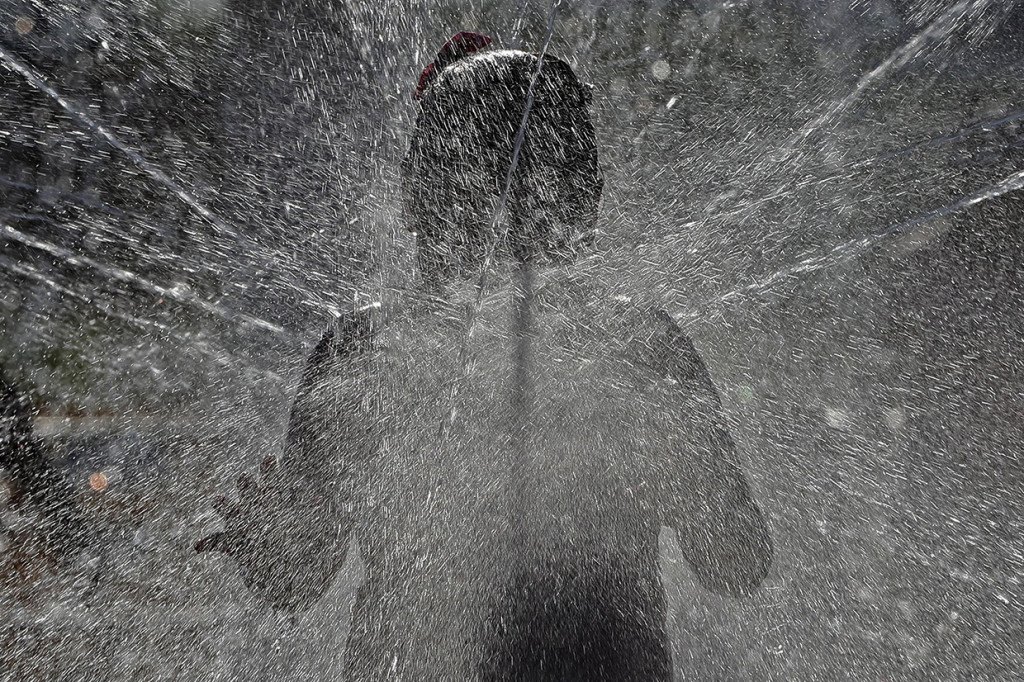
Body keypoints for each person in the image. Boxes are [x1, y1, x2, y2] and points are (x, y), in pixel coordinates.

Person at [198, 32, 772, 680]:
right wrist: (271, 547)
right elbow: (297, 578)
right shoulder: (361, 353)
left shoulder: (639, 349)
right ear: (588, 197)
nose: (492, 214)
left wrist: (680, 459)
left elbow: (738, 563)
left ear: (413, 196)